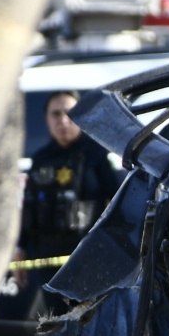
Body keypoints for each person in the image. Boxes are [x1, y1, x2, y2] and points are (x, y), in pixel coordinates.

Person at [20, 91, 121, 261]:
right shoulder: (40, 159)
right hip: (46, 255)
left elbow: (118, 205)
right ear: (47, 118)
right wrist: (21, 249)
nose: (63, 121)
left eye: (70, 113)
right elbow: (28, 208)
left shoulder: (96, 155)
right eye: (56, 114)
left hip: (87, 253)